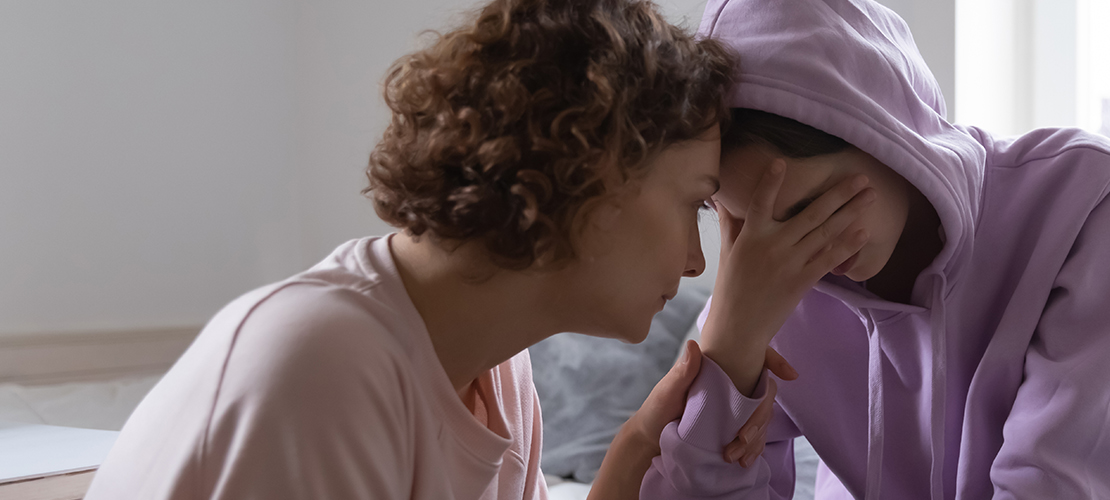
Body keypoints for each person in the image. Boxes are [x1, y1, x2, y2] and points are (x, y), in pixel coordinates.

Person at [82, 0, 828, 498]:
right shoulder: (323, 362)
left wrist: (636, 448)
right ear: (594, 170)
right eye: (694, 204)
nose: (697, 263)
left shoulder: (497, 374)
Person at [641, 0, 1110, 498]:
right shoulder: (765, 286)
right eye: (752, 228)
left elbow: (1053, 482)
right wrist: (728, 354)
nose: (801, 253)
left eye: (813, 210)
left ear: (885, 134)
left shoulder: (1078, 202)